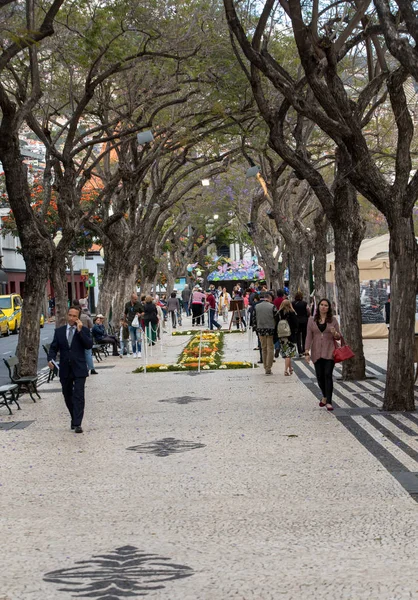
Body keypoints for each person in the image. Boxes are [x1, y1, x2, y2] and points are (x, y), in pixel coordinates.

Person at [47, 306, 93, 433]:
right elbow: (53, 348)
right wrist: (50, 359)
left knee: (79, 395)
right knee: (67, 395)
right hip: (65, 369)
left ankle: (78, 423)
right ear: (67, 315)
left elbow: (88, 345)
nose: (72, 318)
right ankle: (74, 418)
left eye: (75, 316)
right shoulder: (59, 331)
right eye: (70, 315)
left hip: (79, 368)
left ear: (78, 318)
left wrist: (80, 331)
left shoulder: (83, 330)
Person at [305, 298, 341, 412]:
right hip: (316, 351)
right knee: (320, 377)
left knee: (327, 374)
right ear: (318, 306)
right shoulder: (311, 320)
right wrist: (307, 351)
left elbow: (338, 336)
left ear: (329, 308)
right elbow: (308, 336)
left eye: (326, 305)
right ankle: (324, 396)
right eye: (322, 305)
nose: (323, 307)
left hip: (329, 351)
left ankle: (329, 401)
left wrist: (335, 333)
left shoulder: (333, 320)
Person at [253, 292, 278, 375]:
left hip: (260, 329)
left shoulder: (257, 306)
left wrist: (256, 328)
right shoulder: (272, 307)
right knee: (270, 348)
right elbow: (277, 318)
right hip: (270, 329)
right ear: (269, 298)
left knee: (263, 348)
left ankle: (265, 366)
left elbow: (254, 318)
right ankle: (268, 368)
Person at [73, 299, 97, 375]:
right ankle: (91, 368)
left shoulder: (72, 317)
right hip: (85, 335)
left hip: (76, 336)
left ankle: (81, 368)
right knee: (88, 353)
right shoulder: (85, 316)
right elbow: (91, 325)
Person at [278, 300, 299, 376]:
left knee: (287, 352)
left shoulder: (279, 313)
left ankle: (290, 368)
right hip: (291, 335)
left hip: (282, 336)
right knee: (288, 354)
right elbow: (296, 324)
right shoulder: (292, 313)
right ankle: (285, 370)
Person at [124, 292, 144, 358]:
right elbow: (125, 313)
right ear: (131, 299)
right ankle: (134, 352)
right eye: (135, 299)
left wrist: (140, 315)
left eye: (136, 299)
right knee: (132, 339)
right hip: (130, 323)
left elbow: (143, 312)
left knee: (138, 337)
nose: (136, 300)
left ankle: (139, 351)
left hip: (138, 323)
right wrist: (124, 321)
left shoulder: (139, 304)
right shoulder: (127, 304)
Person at [292, 292, 311, 356]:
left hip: (296, 321)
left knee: (298, 336)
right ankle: (304, 350)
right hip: (304, 321)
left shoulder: (293, 303)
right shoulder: (305, 303)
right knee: (304, 336)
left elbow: (292, 311)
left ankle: (299, 351)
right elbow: (308, 311)